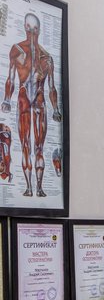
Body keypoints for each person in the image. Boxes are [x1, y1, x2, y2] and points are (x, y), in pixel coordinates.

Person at [2, 13, 63, 197]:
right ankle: (29, 188)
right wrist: (6, 99)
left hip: (39, 103)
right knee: (26, 146)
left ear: (39, 30)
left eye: (35, 29)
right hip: (24, 102)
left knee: (38, 148)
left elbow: (52, 87)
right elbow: (10, 78)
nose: (32, 33)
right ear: (25, 28)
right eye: (30, 28)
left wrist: (56, 109)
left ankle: (39, 188)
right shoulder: (16, 50)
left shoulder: (47, 58)